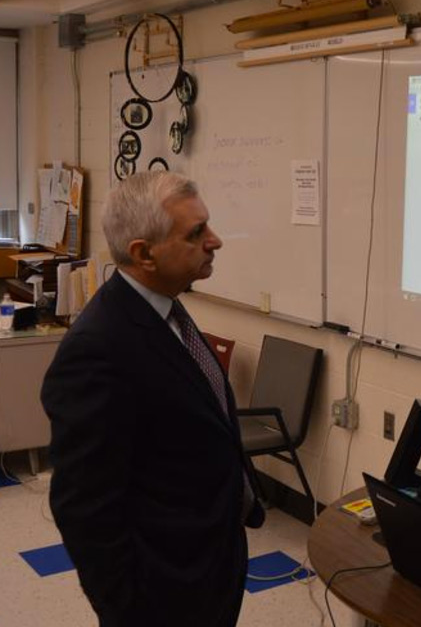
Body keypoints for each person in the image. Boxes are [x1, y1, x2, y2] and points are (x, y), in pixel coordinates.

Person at [42, 171, 264, 627]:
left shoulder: (166, 309)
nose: (216, 241)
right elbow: (84, 507)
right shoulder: (97, 350)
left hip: (211, 557)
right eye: (196, 233)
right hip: (162, 592)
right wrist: (128, 610)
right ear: (144, 254)